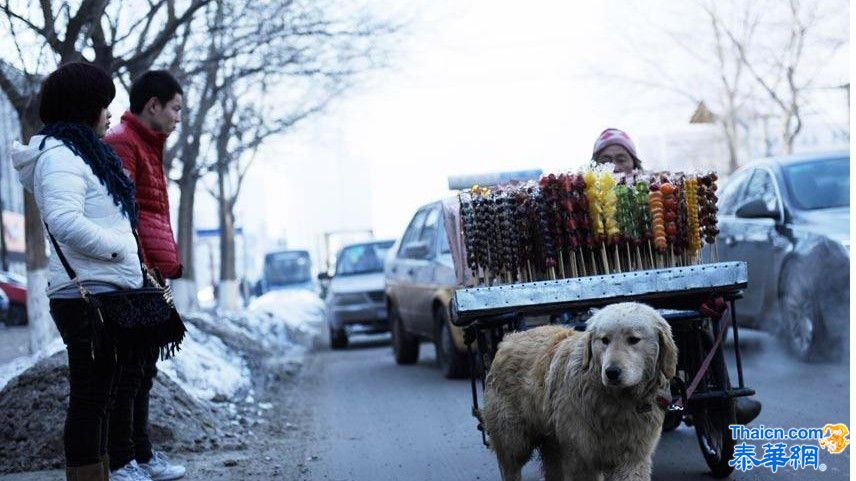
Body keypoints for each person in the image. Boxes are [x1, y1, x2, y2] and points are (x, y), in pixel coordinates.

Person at [11, 62, 143, 481]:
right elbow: (66, 221)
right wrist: (122, 250)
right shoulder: (59, 158)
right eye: (104, 105)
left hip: (101, 289)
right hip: (84, 295)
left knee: (100, 397)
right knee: (90, 398)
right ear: (83, 106)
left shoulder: (81, 153)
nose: (110, 113)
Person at [590, 127, 763, 425]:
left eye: (622, 157)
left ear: (634, 162)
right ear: (595, 167)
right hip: (609, 290)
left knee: (702, 317)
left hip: (660, 283)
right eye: (606, 160)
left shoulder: (657, 189)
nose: (616, 165)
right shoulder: (586, 200)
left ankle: (721, 393)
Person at [103, 71, 185, 481]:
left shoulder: (148, 145)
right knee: (129, 370)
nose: (178, 118)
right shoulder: (123, 142)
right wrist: (141, 268)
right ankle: (122, 461)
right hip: (135, 275)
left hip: (150, 273)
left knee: (144, 368)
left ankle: (142, 455)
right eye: (175, 108)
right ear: (152, 104)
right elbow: (124, 214)